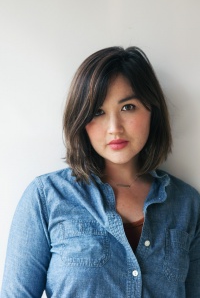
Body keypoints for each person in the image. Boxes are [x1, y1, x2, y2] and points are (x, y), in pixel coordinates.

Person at [1, 46, 200, 298]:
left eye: (128, 107)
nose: (114, 128)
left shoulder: (187, 204)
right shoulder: (46, 197)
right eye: (98, 112)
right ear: (81, 120)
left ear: (152, 110)